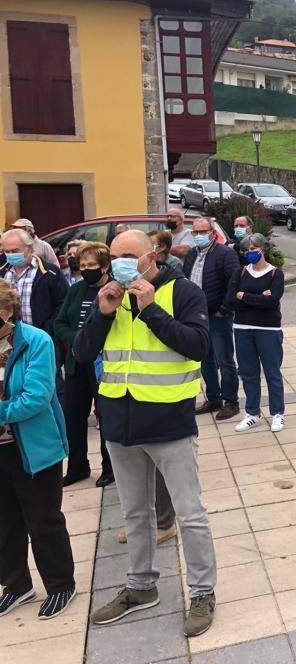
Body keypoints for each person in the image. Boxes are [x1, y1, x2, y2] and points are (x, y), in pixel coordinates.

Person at [75, 229, 217, 637]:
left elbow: (198, 346)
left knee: (190, 514)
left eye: (128, 255)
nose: (118, 262)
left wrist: (152, 309)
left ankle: (203, 591)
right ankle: (140, 586)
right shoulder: (107, 295)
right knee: (135, 513)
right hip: (119, 422)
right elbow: (82, 354)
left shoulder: (183, 291)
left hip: (169, 421)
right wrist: (102, 314)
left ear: (153, 254)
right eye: (114, 255)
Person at [0, 279, 78, 620]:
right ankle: (16, 585)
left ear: (6, 311)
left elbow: (36, 396)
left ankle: (61, 584)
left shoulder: (35, 342)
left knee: (43, 519)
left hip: (32, 447)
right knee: (4, 522)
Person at [53, 241, 114, 487]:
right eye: (82, 265)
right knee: (73, 416)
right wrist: (78, 340)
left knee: (106, 417)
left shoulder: (114, 290)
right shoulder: (76, 290)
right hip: (77, 362)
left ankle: (109, 468)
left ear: (105, 266)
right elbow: (60, 323)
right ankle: (77, 466)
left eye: (91, 265)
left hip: (103, 364)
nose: (85, 269)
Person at [225, 235, 286, 433]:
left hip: (268, 329)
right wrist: (259, 298)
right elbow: (229, 301)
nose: (250, 251)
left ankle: (277, 413)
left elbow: (272, 302)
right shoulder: (239, 273)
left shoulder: (276, 274)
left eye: (254, 247)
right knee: (248, 374)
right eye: (246, 249)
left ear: (263, 249)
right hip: (242, 328)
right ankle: (252, 413)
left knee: (272, 373)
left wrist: (244, 296)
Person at [183, 218, 241, 422]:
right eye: (195, 232)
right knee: (205, 360)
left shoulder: (225, 254)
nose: (198, 235)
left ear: (212, 232)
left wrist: (225, 309)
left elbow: (234, 283)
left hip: (218, 315)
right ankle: (213, 398)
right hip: (197, 317)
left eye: (202, 231)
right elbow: (185, 281)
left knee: (224, 360)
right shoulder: (191, 254)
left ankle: (231, 402)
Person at [0, 228, 69, 338]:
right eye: (7, 252)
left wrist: (49, 329)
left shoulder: (50, 272)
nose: (11, 255)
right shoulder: (2, 273)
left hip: (42, 337)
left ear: (30, 248)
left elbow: (64, 304)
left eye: (15, 251)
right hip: (7, 340)